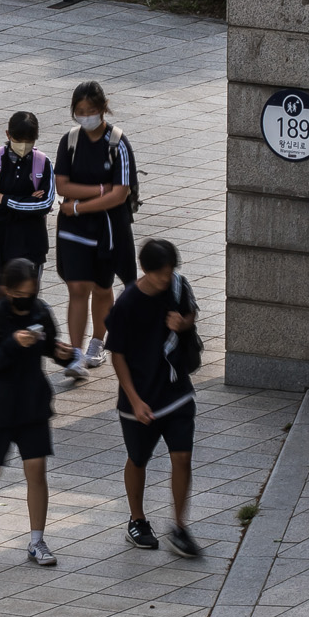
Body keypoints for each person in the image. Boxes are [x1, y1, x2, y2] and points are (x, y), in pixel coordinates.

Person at [0, 257, 74, 565]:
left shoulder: (40, 310)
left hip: (32, 405)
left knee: (36, 469)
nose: (28, 299)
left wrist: (61, 353)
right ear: (8, 291)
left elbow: (49, 345)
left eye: (32, 292)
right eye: (22, 294)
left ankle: (37, 540)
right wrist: (13, 343)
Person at [105, 238, 200, 558]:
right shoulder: (128, 303)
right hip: (141, 397)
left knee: (182, 458)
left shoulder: (177, 287)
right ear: (146, 270)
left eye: (170, 271)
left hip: (176, 391)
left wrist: (183, 323)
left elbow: (191, 316)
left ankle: (179, 526)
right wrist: (133, 400)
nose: (166, 278)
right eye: (160, 273)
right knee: (138, 459)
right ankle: (137, 519)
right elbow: (116, 355)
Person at [54, 81, 138, 380]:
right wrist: (98, 190)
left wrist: (78, 206)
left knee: (102, 288)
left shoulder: (117, 142)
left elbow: (120, 194)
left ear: (104, 108)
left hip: (106, 228)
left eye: (91, 111)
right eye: (79, 111)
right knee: (77, 287)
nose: (85, 116)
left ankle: (97, 343)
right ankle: (75, 354)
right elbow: (61, 185)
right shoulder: (71, 141)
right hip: (74, 231)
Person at [0, 111, 55, 296]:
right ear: (8, 135)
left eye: (30, 140)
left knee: (27, 299)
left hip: (31, 245)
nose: (24, 145)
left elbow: (45, 204)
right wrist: (27, 205)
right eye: (19, 139)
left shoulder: (43, 163)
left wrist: (5, 199)